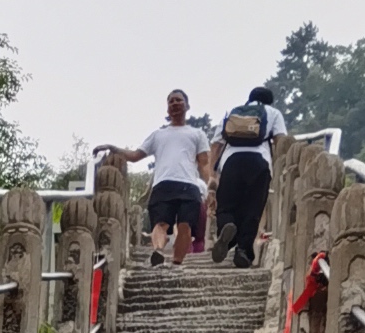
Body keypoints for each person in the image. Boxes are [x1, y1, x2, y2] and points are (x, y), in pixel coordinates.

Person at [120, 91, 211, 264]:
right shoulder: (158, 135)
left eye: (179, 100)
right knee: (160, 224)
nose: (175, 103)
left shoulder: (197, 134)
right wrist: (113, 149)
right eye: (171, 101)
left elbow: (204, 163)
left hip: (189, 184)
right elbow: (135, 155)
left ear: (187, 106)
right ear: (167, 109)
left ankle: (177, 262)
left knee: (185, 226)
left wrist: (211, 188)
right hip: (163, 184)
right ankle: (158, 252)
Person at [209, 83, 283, 265]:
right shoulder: (273, 113)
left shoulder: (233, 113)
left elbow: (216, 144)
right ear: (269, 101)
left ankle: (227, 229)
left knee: (226, 206)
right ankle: (243, 250)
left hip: (231, 162)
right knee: (253, 208)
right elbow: (281, 140)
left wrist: (212, 174)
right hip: (259, 162)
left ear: (249, 98)